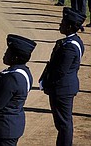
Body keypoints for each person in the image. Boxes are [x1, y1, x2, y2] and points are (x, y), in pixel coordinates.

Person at [0, 34, 36, 146]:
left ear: (15, 58)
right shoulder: (24, 72)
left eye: (8, 51)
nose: (5, 53)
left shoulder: (11, 78)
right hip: (10, 126)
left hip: (3, 128)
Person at [39, 8, 85, 146]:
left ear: (70, 26)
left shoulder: (69, 47)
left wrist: (46, 83)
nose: (60, 25)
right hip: (65, 87)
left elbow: (60, 71)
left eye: (63, 23)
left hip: (62, 89)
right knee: (63, 124)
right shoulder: (73, 41)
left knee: (64, 124)